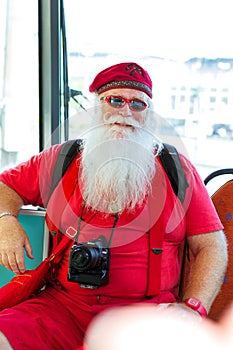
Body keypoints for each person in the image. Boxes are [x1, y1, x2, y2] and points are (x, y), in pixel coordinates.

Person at [0, 62, 228, 350]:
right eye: (116, 100)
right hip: (61, 308)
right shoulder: (60, 159)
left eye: (138, 104)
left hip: (145, 317)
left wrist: (193, 307)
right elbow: (4, 186)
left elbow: (211, 246)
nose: (126, 112)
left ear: (149, 116)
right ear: (97, 108)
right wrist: (5, 219)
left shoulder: (177, 170)